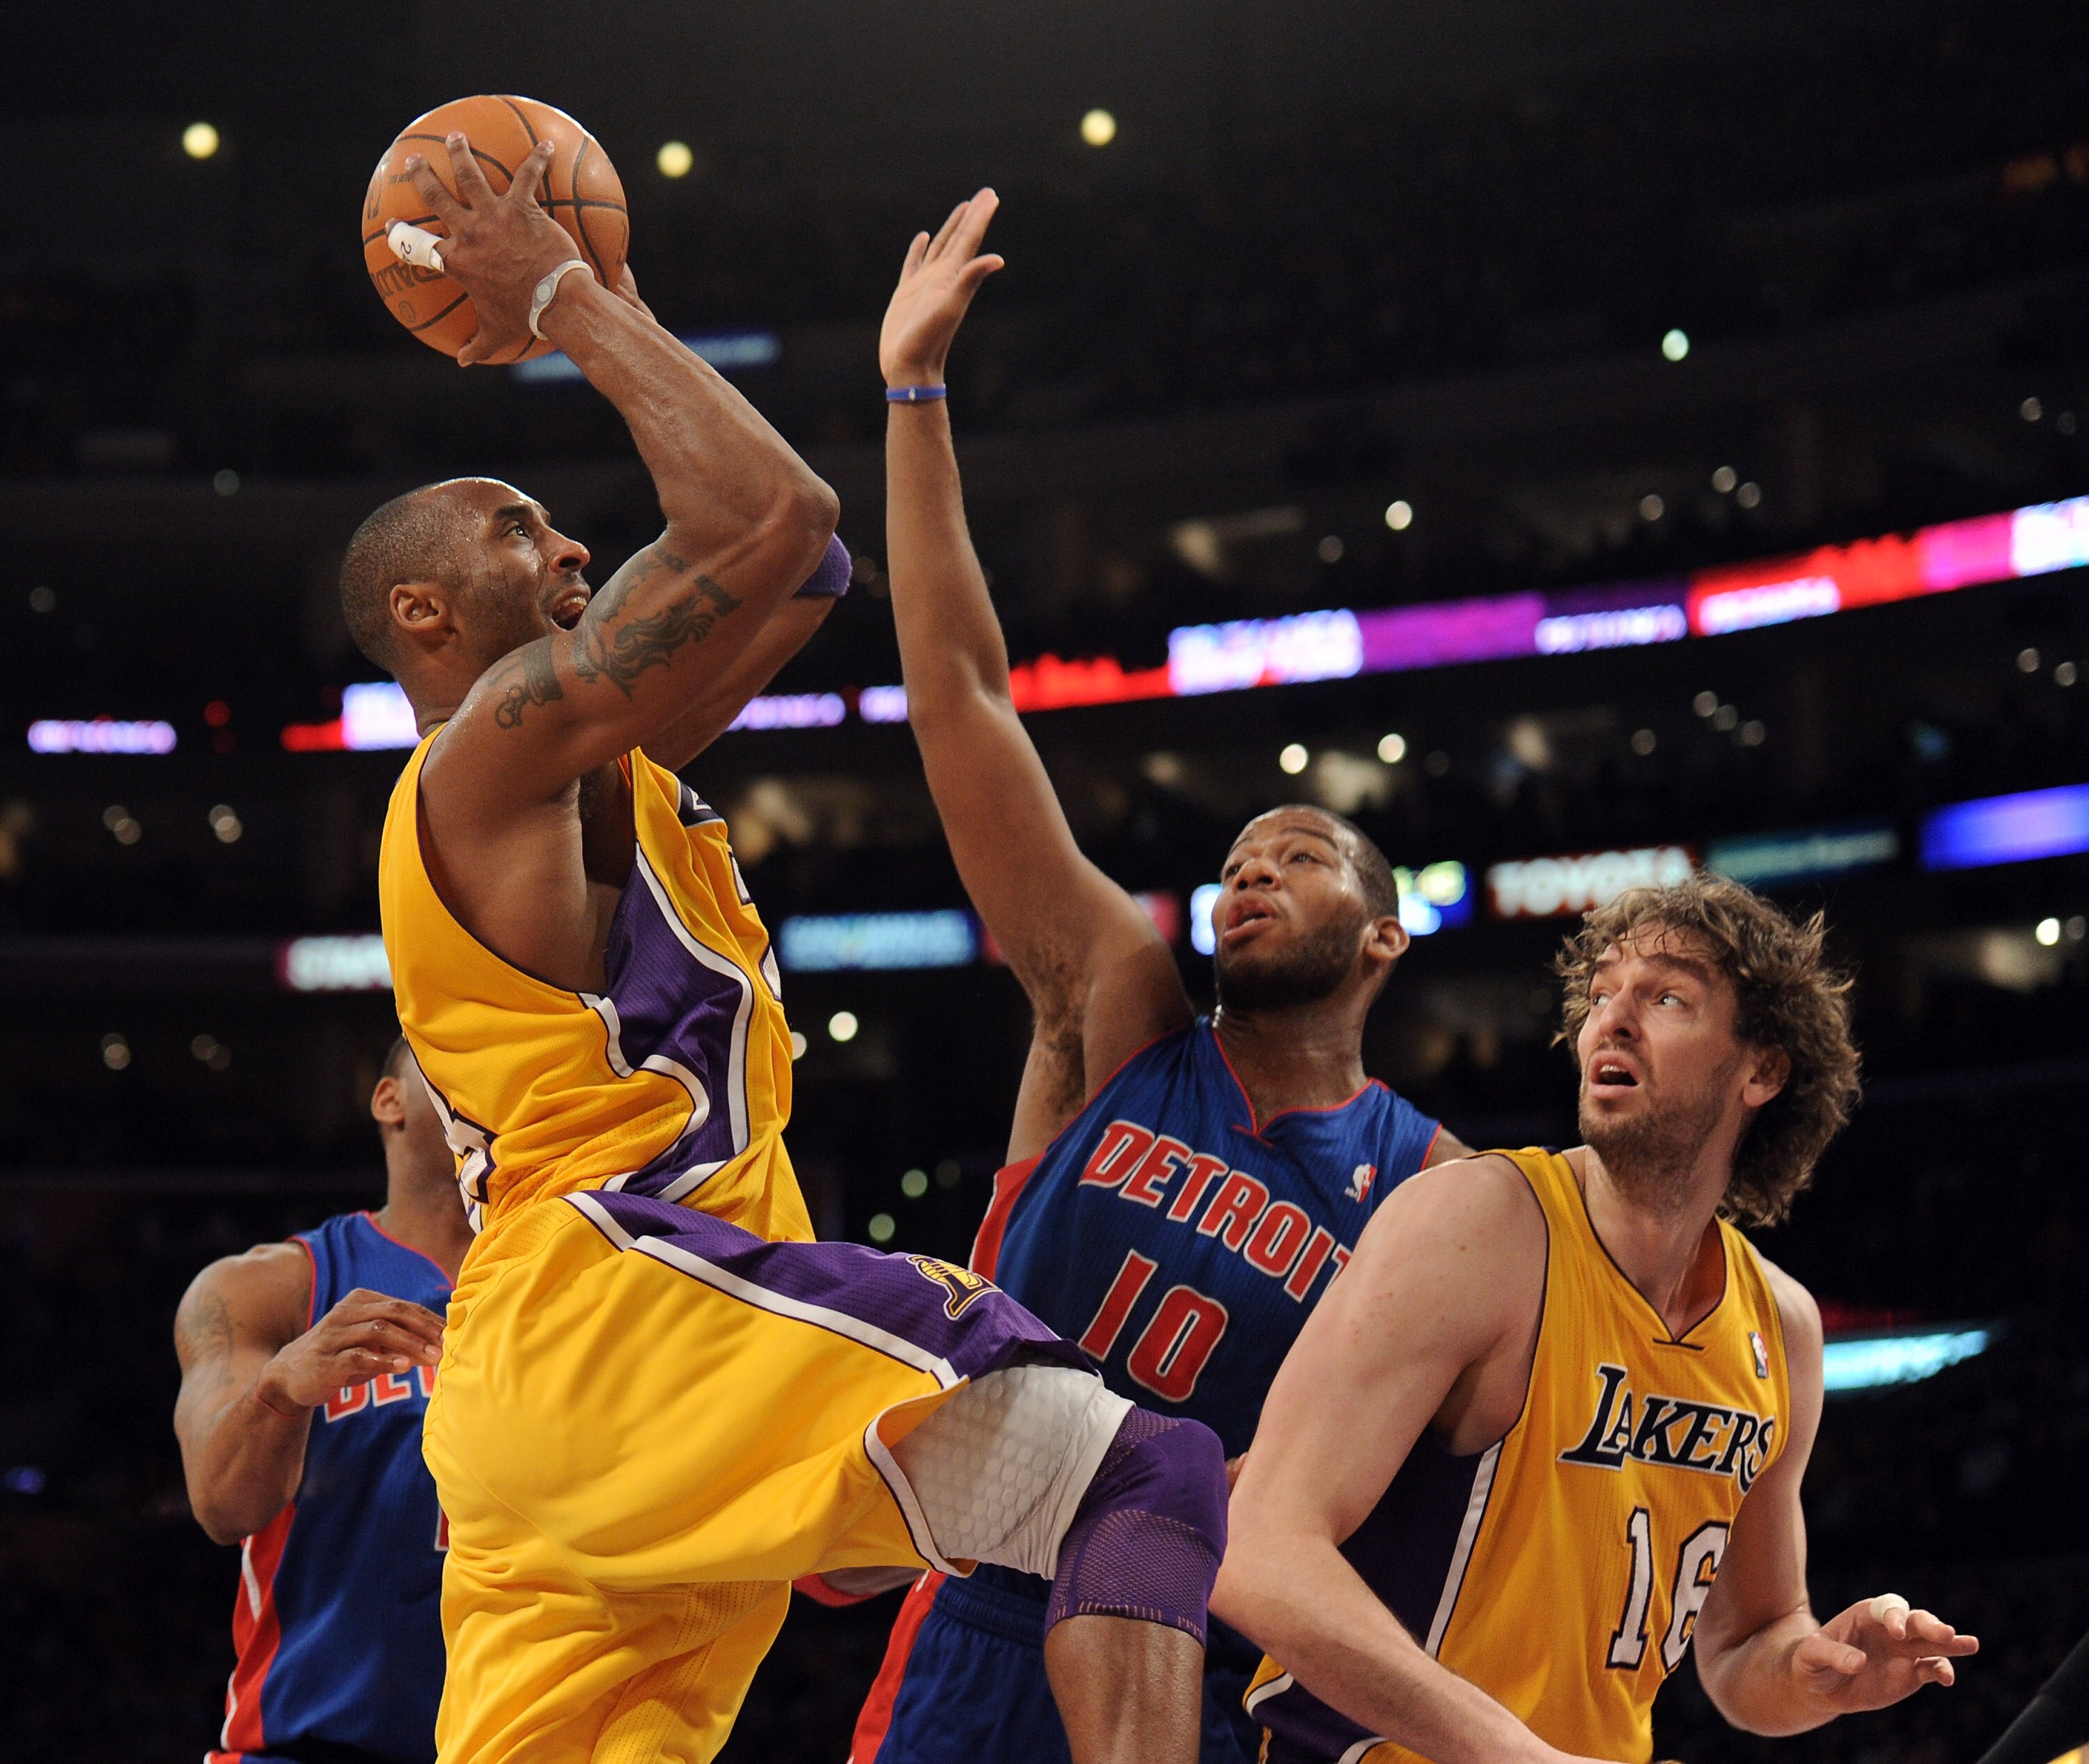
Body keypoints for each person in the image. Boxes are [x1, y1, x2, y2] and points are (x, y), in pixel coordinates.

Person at [360, 137, 1230, 1764]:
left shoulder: (597, 775)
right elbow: (766, 510)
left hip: (549, 1405)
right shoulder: (482, 760)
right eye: (513, 527)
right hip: (620, 1311)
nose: (563, 551)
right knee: (1142, 1474)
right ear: (420, 612)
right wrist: (561, 298)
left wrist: (626, 305)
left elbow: (801, 565)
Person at [840, 190, 1472, 1764]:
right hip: (977, 1614)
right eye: (1238, 854)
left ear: (1382, 934)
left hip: (1186, 1646)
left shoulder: (1430, 1188)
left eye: (1300, 854)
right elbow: (963, 704)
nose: (1250, 869)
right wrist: (913, 399)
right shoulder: (1116, 1004)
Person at [1215, 875, 1980, 1764]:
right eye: (1603, 992)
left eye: (1666, 997)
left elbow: (1743, 1646)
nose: (1613, 1020)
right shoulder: (1478, 1227)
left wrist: (1816, 1670)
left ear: (1763, 1069)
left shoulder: (1782, 1327)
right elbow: (1258, 1547)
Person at [173, 1038, 471, 1764]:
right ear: (388, 1100)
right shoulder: (268, 1290)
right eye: (456, 1058)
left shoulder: (577, 1295)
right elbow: (222, 1504)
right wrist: (279, 1390)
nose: (487, 1077)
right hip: (311, 1746)